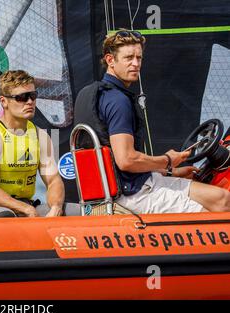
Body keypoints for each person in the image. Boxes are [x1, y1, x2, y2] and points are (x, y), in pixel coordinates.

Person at [75, 29, 230, 213]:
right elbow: (126, 160)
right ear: (110, 60)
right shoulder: (118, 101)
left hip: (121, 186)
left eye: (139, 58)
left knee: (222, 197)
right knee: (214, 211)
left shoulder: (88, 94)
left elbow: (117, 164)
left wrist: (172, 171)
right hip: (133, 194)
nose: (135, 64)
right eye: (128, 58)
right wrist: (167, 161)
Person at [0, 70, 73, 218]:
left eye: (32, 96)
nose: (29, 101)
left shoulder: (40, 136)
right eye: (21, 97)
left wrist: (55, 208)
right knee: (5, 216)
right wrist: (26, 209)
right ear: (4, 102)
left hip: (27, 205)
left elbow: (54, 181)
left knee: (75, 211)